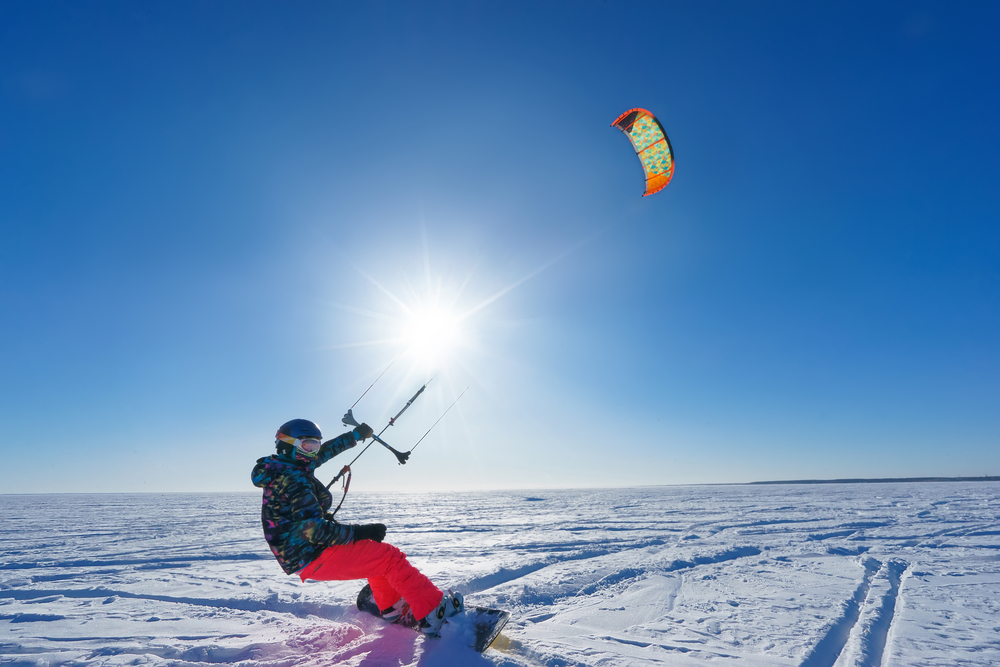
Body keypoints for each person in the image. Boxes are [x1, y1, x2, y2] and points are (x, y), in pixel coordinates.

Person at [251, 418, 463, 635]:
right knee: (389, 557)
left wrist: (354, 436)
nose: (314, 452)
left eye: (315, 445)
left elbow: (325, 453)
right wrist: (361, 531)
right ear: (289, 444)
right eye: (309, 445)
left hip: (301, 553)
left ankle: (391, 608)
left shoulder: (285, 466)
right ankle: (434, 611)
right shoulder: (294, 479)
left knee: (376, 554)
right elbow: (316, 531)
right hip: (310, 554)